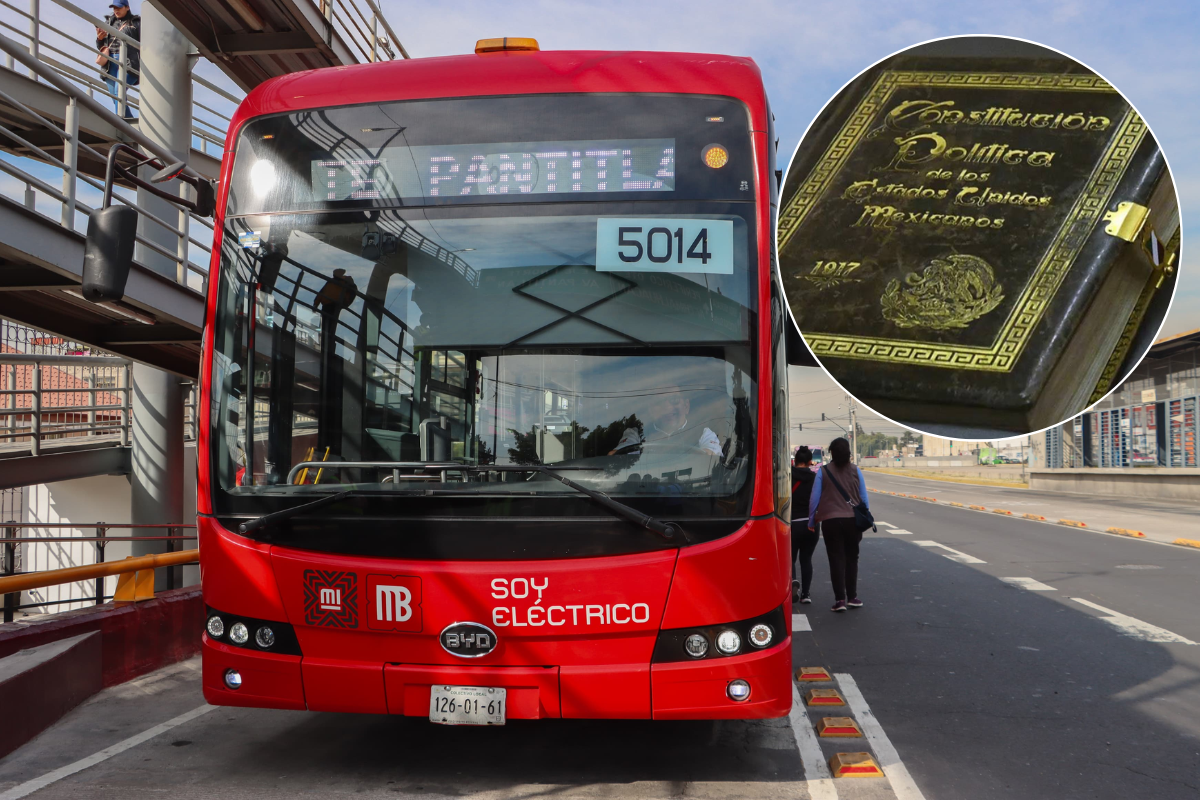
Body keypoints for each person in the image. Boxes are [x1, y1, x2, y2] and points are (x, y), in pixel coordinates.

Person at [808, 437, 869, 612]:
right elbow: (864, 498)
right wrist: (864, 518)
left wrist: (812, 520)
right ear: (848, 452)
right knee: (852, 558)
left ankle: (840, 600)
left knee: (836, 559)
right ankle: (853, 597)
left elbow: (814, 498)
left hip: (830, 522)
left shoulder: (823, 472)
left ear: (832, 453)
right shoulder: (856, 471)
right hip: (852, 521)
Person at [608, 385, 723, 457]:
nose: (667, 407)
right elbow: (616, 458)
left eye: (674, 400)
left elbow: (712, 457)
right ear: (650, 410)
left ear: (686, 406)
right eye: (659, 402)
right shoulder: (636, 434)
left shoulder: (703, 433)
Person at [95, 0, 140, 119]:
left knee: (118, 91)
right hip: (110, 62)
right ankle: (127, 121)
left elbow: (145, 45)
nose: (116, 10)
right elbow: (101, 46)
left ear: (127, 7)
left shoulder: (136, 23)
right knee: (116, 97)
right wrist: (100, 39)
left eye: (119, 7)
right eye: (114, 8)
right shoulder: (108, 22)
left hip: (128, 61)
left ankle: (121, 122)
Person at [791, 446, 818, 604]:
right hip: (810, 524)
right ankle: (806, 594)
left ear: (795, 461)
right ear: (809, 462)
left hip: (792, 524)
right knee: (806, 559)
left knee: (791, 559)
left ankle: (793, 583)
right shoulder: (815, 478)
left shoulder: (788, 476)